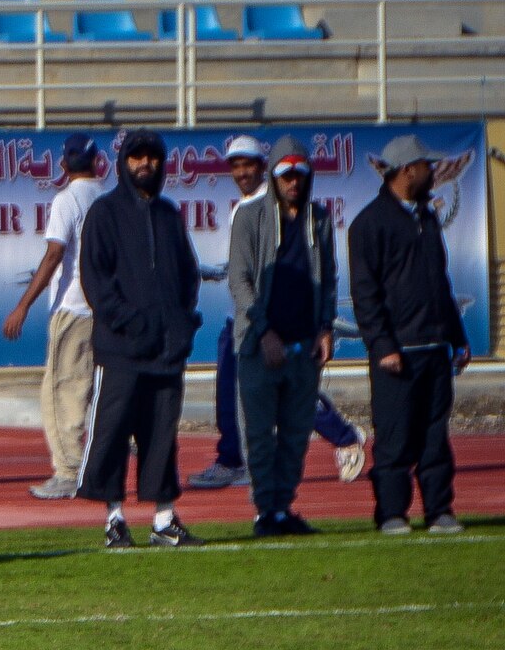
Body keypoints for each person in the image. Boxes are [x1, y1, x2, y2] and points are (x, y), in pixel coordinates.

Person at [194, 134, 366, 492]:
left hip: (276, 324)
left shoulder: (280, 210)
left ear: (264, 168)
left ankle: (345, 436)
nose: (241, 172)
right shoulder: (243, 209)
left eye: (249, 165)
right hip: (241, 319)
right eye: (235, 166)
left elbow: (311, 269)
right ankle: (231, 460)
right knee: (230, 394)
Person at [78, 128, 205, 549]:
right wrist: (131, 323)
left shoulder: (169, 214)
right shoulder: (104, 213)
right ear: (123, 163)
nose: (144, 164)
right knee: (112, 434)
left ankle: (164, 519)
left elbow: (188, 275)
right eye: (137, 158)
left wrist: (182, 323)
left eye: (152, 157)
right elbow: (96, 282)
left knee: (162, 437)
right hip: (121, 350)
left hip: (166, 353)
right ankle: (114, 520)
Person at [347, 133, 471, 536]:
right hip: (397, 353)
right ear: (407, 171)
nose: (434, 172)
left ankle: (439, 510)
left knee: (436, 435)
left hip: (435, 348)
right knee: (395, 436)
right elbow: (365, 294)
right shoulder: (369, 224)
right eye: (427, 166)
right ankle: (392, 513)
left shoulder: (427, 217)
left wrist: (457, 335)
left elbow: (439, 281)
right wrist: (382, 345)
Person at [227, 135, 338, 538]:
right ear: (273, 176)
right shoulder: (249, 217)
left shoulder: (319, 219)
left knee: (295, 434)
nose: (293, 182)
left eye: (300, 174)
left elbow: (328, 279)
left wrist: (325, 327)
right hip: (259, 346)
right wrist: (264, 331)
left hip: (304, 346)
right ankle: (264, 511)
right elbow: (239, 281)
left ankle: (283, 507)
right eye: (286, 174)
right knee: (258, 434)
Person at [1, 133, 101, 500]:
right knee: (90, 389)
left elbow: (54, 254)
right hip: (103, 307)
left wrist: (23, 304)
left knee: (62, 392)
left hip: (73, 306)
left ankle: (69, 471)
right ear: (97, 162)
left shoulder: (68, 200)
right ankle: (93, 465)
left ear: (63, 164)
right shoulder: (105, 196)